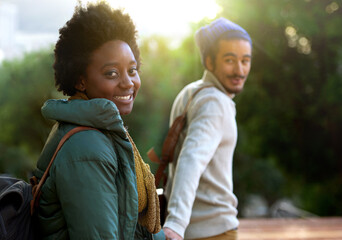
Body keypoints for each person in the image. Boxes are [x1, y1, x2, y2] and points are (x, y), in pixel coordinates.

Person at [33, 2, 164, 239]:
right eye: (112, 73)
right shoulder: (87, 147)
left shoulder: (99, 131)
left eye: (132, 70)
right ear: (80, 80)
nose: (128, 82)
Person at [163, 18, 252, 240]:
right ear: (209, 62)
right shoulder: (215, 103)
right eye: (230, 60)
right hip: (213, 231)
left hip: (194, 229)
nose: (240, 70)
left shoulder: (189, 93)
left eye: (245, 60)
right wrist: (175, 224)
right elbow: (191, 159)